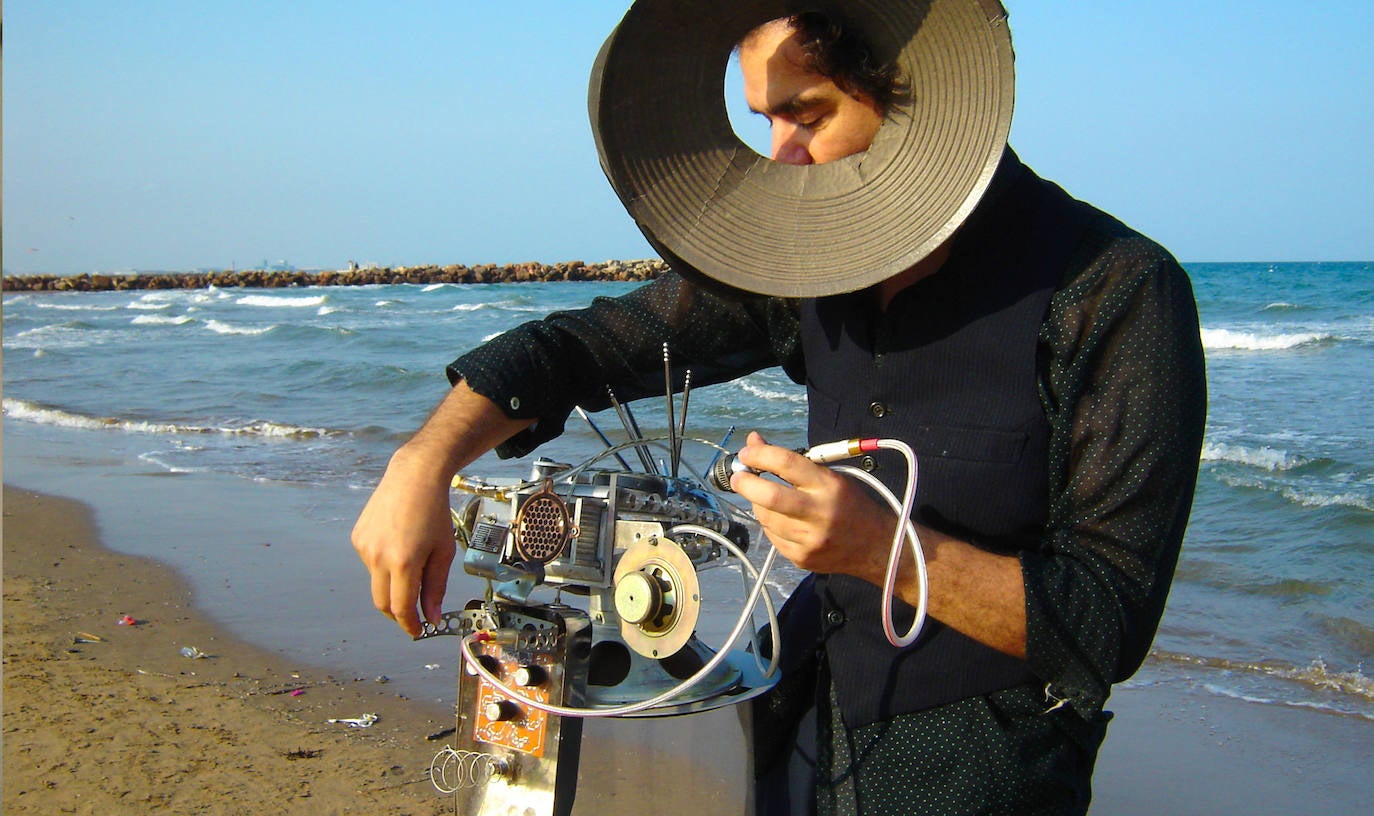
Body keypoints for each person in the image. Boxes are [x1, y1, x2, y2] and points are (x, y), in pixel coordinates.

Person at [353, 11, 1206, 815]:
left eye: (807, 115)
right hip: (797, 720)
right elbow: (581, 349)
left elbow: (1107, 622)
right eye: (764, 119)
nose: (779, 156)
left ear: (918, 96)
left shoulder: (1114, 291)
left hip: (979, 768)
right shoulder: (810, 265)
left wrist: (881, 550)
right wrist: (422, 463)